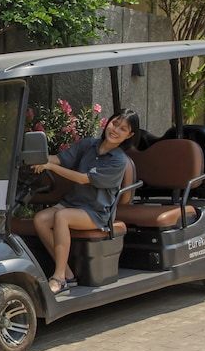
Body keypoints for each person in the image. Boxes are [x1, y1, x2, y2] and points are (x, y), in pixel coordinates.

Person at [32, 108, 140, 295]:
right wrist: (35, 159)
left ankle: (59, 278)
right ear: (108, 122)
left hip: (96, 212)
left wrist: (50, 167)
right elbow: (59, 159)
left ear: (129, 135)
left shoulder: (118, 161)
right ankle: (67, 273)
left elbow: (83, 179)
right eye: (115, 123)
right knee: (40, 219)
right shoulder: (88, 145)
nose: (115, 130)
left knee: (62, 216)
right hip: (73, 204)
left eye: (123, 129)